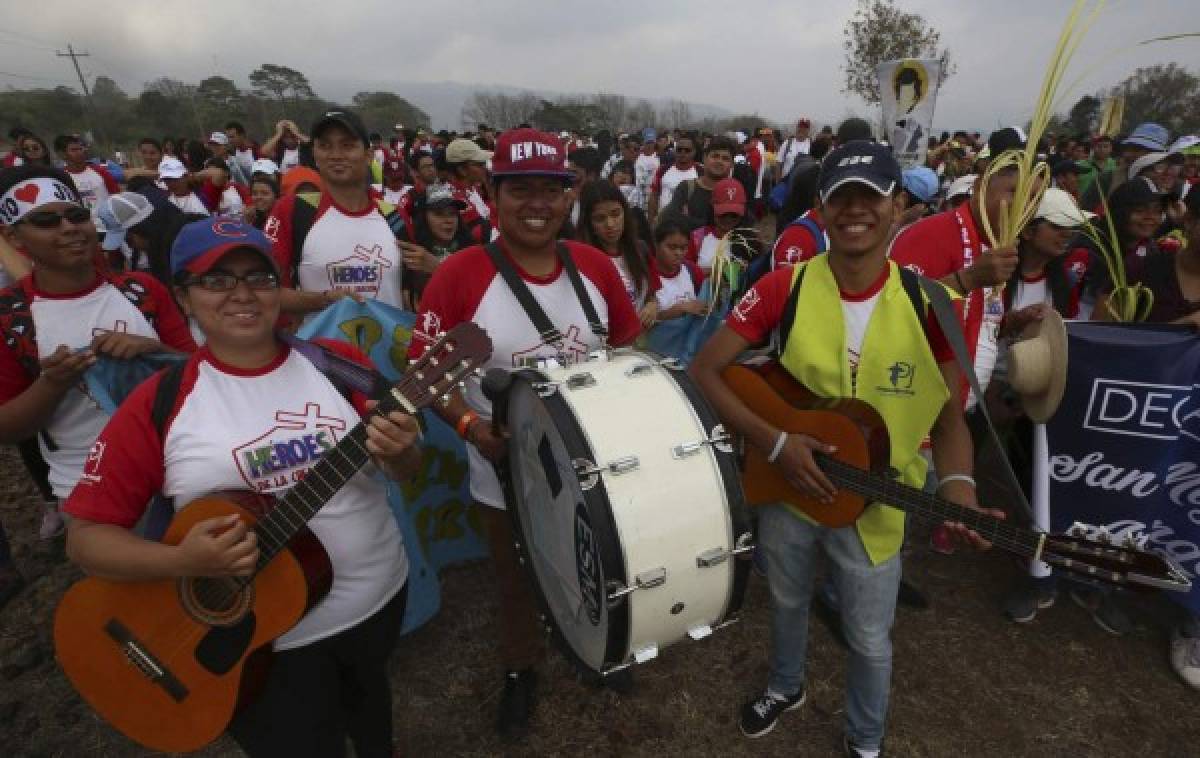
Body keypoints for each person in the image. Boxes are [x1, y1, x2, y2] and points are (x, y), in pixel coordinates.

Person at [61, 217, 421, 758]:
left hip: (376, 604)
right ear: (183, 297)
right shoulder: (162, 402)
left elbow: (403, 469)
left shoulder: (339, 364)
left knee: (373, 727)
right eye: (217, 280)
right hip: (259, 651)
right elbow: (85, 539)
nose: (243, 294)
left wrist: (403, 452)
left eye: (259, 277)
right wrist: (182, 563)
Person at [688, 141, 998, 758]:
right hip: (789, 492)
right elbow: (706, 370)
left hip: (879, 504)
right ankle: (786, 685)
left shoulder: (932, 302)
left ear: (899, 207)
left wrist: (959, 490)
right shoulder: (784, 287)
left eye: (872, 197)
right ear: (822, 210)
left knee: (870, 638)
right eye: (841, 198)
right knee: (786, 598)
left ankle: (865, 739)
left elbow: (951, 418)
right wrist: (775, 443)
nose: (856, 210)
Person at [407, 128, 640, 740]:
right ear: (492, 193)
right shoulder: (460, 275)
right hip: (503, 471)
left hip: (593, 465)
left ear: (569, 198)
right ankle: (521, 668)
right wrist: (468, 425)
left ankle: (599, 646)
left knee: (595, 558)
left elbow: (628, 348)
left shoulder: (595, 267)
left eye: (551, 190)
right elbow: (423, 372)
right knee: (516, 577)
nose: (537, 203)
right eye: (521, 190)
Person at [0, 165, 196, 540]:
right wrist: (52, 384)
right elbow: (8, 427)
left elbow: (201, 372)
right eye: (46, 221)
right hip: (92, 489)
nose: (69, 228)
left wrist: (155, 351)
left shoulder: (142, 290)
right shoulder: (10, 318)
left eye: (76, 215)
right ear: (14, 236)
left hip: (182, 465)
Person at [264, 109, 406, 319]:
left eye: (347, 145)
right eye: (325, 146)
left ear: (368, 156)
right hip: (317, 351)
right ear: (314, 155)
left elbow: (415, 290)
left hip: (390, 351)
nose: (336, 155)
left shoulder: (395, 216)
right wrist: (324, 300)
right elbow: (266, 293)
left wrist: (434, 267)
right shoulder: (291, 211)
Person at [578, 179, 659, 328]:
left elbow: (652, 294)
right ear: (588, 223)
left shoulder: (641, 250)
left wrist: (652, 305)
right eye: (600, 218)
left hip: (637, 343)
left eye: (615, 214)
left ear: (625, 213)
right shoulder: (580, 261)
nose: (610, 224)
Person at [400, 182, 474, 306]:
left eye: (453, 214)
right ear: (423, 218)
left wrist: (438, 268)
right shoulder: (412, 256)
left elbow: (477, 295)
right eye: (439, 214)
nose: (449, 220)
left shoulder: (472, 252)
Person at [661, 135, 737, 230]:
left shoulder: (735, 192)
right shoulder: (686, 188)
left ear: (732, 164)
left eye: (725, 158)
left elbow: (744, 228)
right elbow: (671, 220)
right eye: (715, 156)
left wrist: (688, 220)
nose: (719, 161)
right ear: (704, 158)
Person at [55, 134, 119, 213]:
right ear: (62, 154)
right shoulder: (60, 178)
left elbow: (117, 196)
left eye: (80, 149)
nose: (79, 152)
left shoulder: (100, 171)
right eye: (74, 150)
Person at [648, 133, 700, 224]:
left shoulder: (701, 171)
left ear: (694, 152)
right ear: (675, 151)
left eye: (687, 150)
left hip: (690, 226)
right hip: (664, 223)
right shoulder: (663, 170)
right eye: (679, 150)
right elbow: (654, 196)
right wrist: (651, 221)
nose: (683, 153)